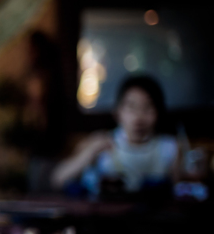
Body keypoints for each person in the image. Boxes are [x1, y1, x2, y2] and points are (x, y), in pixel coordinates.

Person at [51, 75, 179, 194]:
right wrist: (90, 153)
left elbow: (181, 189)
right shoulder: (101, 142)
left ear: (159, 113)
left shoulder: (169, 147)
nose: (139, 117)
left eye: (148, 107)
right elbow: (57, 179)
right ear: (118, 112)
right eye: (131, 107)